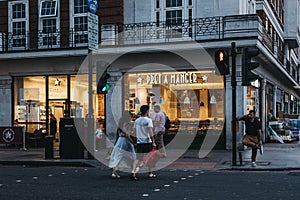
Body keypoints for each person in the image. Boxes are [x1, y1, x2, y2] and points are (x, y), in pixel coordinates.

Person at [130, 105, 156, 180]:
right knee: (150, 157)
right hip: (147, 141)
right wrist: (153, 141)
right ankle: (150, 172)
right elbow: (150, 131)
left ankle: (133, 171)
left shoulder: (137, 120)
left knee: (138, 158)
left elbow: (134, 132)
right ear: (147, 111)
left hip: (139, 141)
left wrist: (135, 140)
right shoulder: (148, 120)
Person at [109, 112, 136, 179]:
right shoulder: (128, 124)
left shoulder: (120, 123)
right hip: (126, 141)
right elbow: (127, 135)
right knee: (131, 156)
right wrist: (133, 142)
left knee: (119, 156)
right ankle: (133, 171)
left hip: (120, 140)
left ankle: (114, 171)